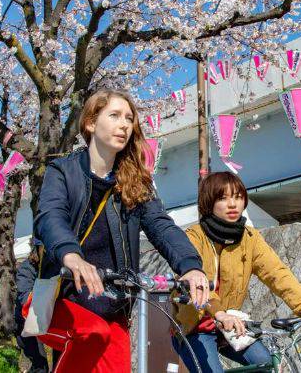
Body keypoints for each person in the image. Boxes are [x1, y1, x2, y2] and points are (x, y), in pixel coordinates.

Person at [29, 89, 209, 373]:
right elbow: (50, 217)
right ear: (90, 122)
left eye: (129, 118)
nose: (124, 124)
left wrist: (190, 265)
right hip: (59, 295)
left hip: (112, 304)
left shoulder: (135, 182)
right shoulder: (62, 171)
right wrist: (71, 256)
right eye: (114, 116)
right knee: (92, 333)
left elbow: (161, 225)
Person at [172, 172, 301, 373]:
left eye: (238, 197)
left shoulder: (249, 238)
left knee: (268, 365)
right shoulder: (194, 238)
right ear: (208, 202)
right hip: (195, 328)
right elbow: (197, 283)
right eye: (223, 198)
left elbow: (278, 275)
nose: (232, 204)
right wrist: (219, 313)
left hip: (230, 326)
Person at [15, 239, 49, 373]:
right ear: (36, 249)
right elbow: (25, 298)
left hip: (46, 319)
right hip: (25, 323)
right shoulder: (26, 268)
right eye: (44, 248)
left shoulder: (49, 266)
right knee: (40, 364)